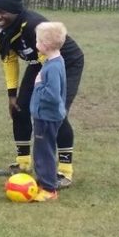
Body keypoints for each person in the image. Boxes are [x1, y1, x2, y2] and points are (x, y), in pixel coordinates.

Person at [0, 0, 84, 189]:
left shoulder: (33, 25)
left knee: (56, 115)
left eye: (2, 11)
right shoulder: (4, 27)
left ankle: (65, 172)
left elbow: (48, 59)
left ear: (15, 11)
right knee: (20, 109)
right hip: (38, 63)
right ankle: (23, 164)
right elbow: (9, 59)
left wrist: (43, 92)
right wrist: (12, 95)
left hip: (64, 63)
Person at [30, 22, 69, 202]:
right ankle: (44, 181)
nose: (35, 42)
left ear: (45, 44)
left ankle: (48, 188)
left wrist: (38, 86)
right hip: (47, 116)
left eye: (37, 40)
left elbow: (53, 95)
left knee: (43, 151)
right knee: (43, 149)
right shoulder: (55, 61)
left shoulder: (53, 67)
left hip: (46, 117)